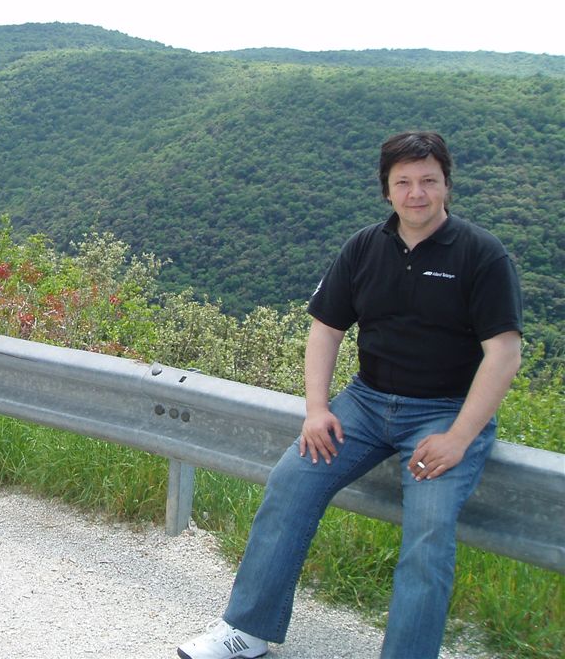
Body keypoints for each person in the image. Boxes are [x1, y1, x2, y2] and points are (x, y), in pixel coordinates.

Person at [177, 132, 523, 659]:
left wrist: (458, 438)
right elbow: (326, 329)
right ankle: (246, 630)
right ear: (386, 189)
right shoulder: (364, 247)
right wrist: (317, 409)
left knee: (428, 532)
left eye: (428, 181)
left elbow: (503, 354)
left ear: (447, 186)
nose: (416, 194)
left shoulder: (481, 254)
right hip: (365, 403)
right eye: (403, 182)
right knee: (291, 482)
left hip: (443, 413)